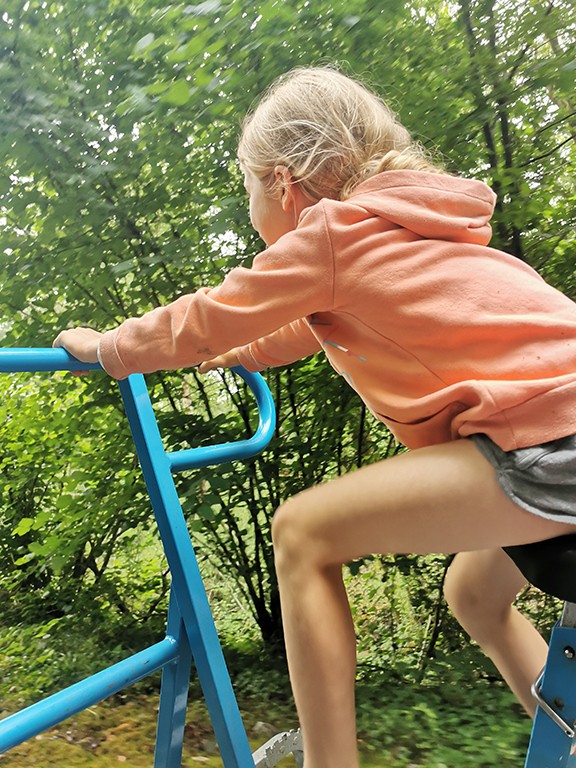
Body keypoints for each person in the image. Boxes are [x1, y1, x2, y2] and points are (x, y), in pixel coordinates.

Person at [54, 66, 576, 768]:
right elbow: (317, 322)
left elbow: (208, 315)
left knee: (300, 532)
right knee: (474, 594)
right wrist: (248, 352)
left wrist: (109, 348)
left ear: (282, 181)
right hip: (552, 435)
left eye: (247, 193)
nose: (250, 214)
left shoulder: (333, 232)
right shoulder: (420, 230)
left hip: (549, 445)